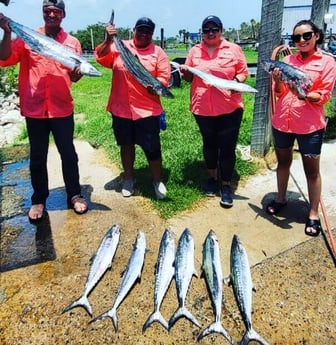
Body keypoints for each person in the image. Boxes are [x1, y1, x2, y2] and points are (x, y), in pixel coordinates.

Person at [0, 0, 88, 221]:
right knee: (37, 156)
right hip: (35, 108)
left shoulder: (72, 42)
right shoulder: (27, 37)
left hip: (61, 108)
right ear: (42, 13)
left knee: (68, 154)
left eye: (56, 12)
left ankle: (75, 194)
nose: (51, 15)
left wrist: (78, 73)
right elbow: (4, 59)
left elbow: (74, 77)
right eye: (47, 11)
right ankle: (39, 199)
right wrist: (6, 33)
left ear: (63, 15)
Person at [266, 20, 336, 237]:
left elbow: (324, 95)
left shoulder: (327, 62)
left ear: (316, 36)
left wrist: (304, 95)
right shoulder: (287, 60)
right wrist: (278, 81)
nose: (301, 41)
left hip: (310, 125)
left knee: (311, 171)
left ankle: (313, 213)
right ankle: (280, 198)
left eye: (306, 36)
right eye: (296, 38)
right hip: (282, 122)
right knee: (283, 162)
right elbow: (279, 92)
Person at [94, 17, 170, 199]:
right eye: (140, 30)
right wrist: (108, 39)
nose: (143, 34)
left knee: (152, 148)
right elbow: (101, 57)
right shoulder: (119, 46)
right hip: (121, 108)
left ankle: (157, 181)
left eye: (148, 32)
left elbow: (164, 79)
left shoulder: (158, 52)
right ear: (134, 30)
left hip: (147, 110)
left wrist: (156, 87)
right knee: (126, 145)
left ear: (152, 34)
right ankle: (129, 179)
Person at [180, 15, 249, 208]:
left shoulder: (233, 49)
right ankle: (212, 177)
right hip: (202, 106)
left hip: (229, 106)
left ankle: (226, 185)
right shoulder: (194, 51)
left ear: (221, 30)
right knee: (209, 144)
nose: (210, 33)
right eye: (206, 30)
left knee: (227, 147)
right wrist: (185, 72)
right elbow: (189, 79)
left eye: (214, 29)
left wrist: (237, 82)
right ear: (202, 32)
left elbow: (243, 72)